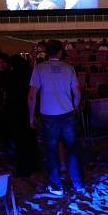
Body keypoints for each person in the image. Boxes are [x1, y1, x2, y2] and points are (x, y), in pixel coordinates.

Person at [28, 40, 84, 195]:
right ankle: (78, 183)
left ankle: (56, 185)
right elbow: (77, 94)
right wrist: (74, 107)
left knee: (51, 151)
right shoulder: (69, 68)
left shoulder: (39, 69)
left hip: (48, 117)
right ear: (60, 52)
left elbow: (32, 96)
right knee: (72, 149)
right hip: (67, 114)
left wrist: (31, 116)